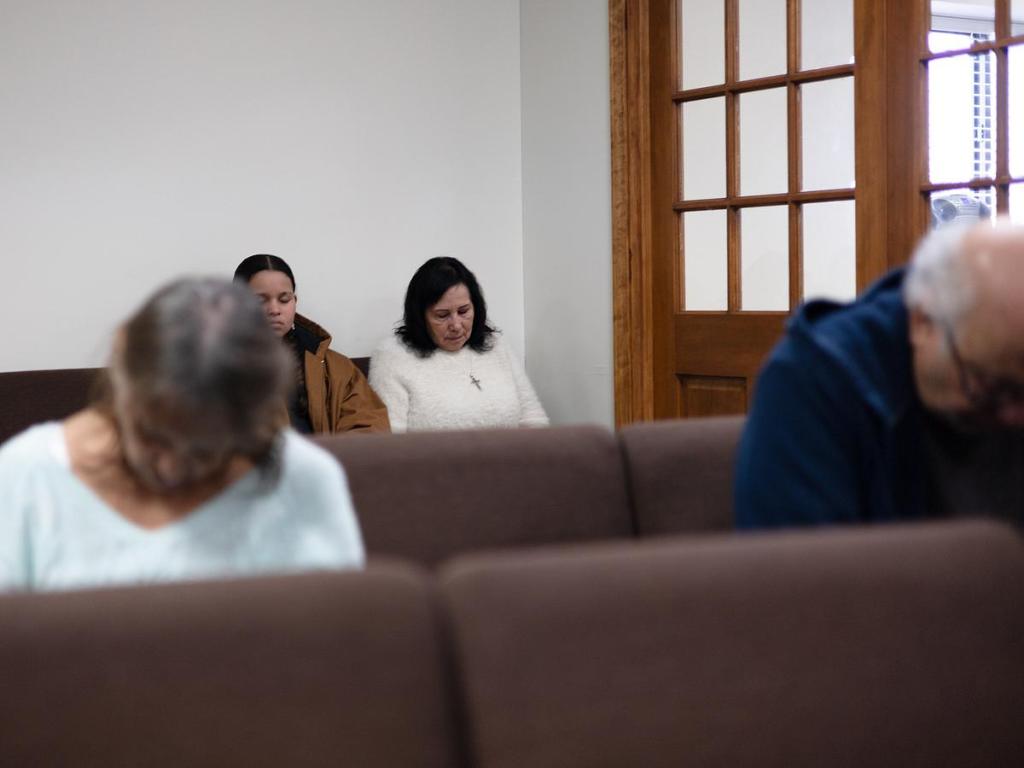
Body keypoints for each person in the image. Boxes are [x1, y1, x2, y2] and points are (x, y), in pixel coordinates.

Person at [0, 278, 365, 592]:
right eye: (160, 433)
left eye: (217, 447)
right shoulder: (30, 474)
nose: (177, 464)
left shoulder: (302, 475)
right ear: (127, 375)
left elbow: (333, 638)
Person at [735, 220, 1024, 529]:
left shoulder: (985, 346)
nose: (1015, 416)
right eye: (992, 387)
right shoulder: (813, 381)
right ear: (921, 322)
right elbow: (800, 569)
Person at [369, 257, 549, 432]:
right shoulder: (393, 357)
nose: (456, 325)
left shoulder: (496, 345)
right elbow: (390, 443)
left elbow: (534, 419)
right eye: (442, 315)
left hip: (509, 461)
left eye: (463, 311)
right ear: (420, 317)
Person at [234, 254, 390, 434]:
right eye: (261, 301)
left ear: (295, 302)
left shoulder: (335, 367)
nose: (275, 310)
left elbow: (370, 426)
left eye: (284, 299)